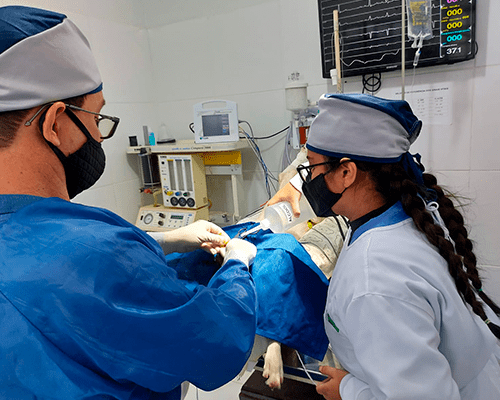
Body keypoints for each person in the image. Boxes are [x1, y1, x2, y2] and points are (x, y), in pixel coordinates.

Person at [0, 6, 258, 400]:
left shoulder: (75, 247)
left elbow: (42, 260)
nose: (98, 136)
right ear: (54, 124)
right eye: (96, 118)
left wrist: (165, 239)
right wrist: (237, 265)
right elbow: (218, 342)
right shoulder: (96, 253)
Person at [269, 93, 500, 399]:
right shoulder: (407, 212)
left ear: (347, 172)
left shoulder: (375, 278)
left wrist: (347, 390)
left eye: (311, 166)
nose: (307, 178)